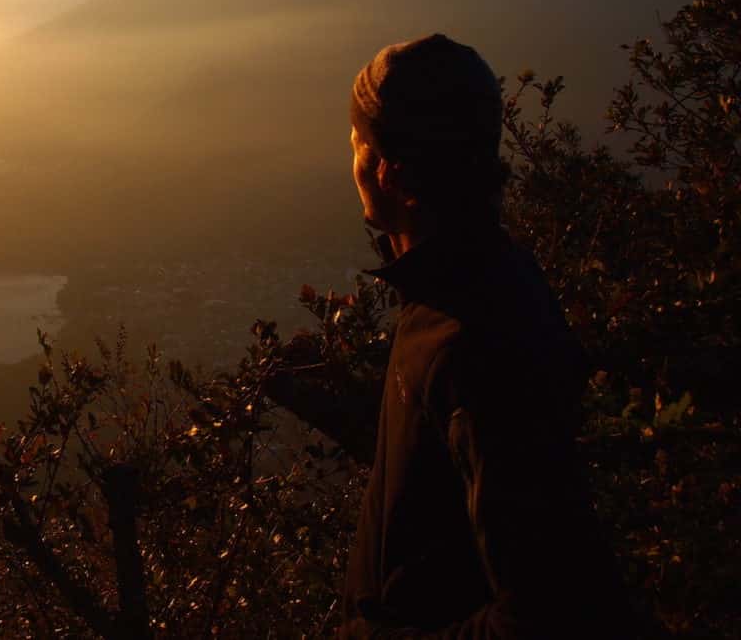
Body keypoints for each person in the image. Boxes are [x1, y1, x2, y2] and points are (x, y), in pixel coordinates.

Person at [270, 34, 635, 638]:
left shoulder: (468, 337)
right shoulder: (477, 285)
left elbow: (550, 609)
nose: (352, 162)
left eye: (358, 145)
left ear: (387, 170)